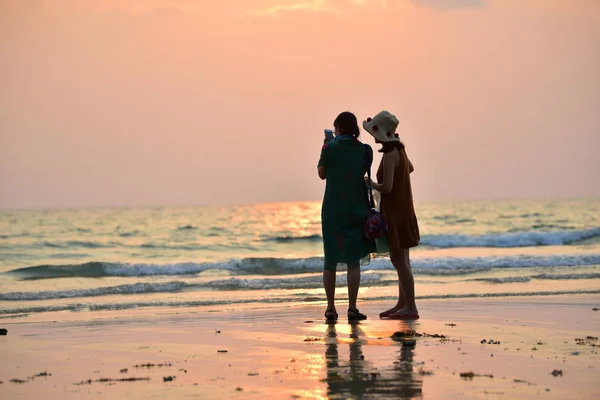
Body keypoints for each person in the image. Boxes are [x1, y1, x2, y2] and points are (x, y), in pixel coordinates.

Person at [318, 111, 376, 322]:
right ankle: (352, 308)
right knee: (353, 261)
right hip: (356, 209)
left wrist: (326, 145)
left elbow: (322, 174)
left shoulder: (330, 148)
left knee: (330, 260)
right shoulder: (365, 150)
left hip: (333, 210)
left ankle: (331, 308)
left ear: (339, 128)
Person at [363, 111, 420, 320]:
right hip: (405, 211)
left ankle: (411, 307)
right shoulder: (400, 150)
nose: (373, 137)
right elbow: (410, 168)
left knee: (399, 262)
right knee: (404, 261)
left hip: (395, 214)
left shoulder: (389, 155)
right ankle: (403, 303)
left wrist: (371, 184)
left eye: (374, 133)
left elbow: (386, 188)